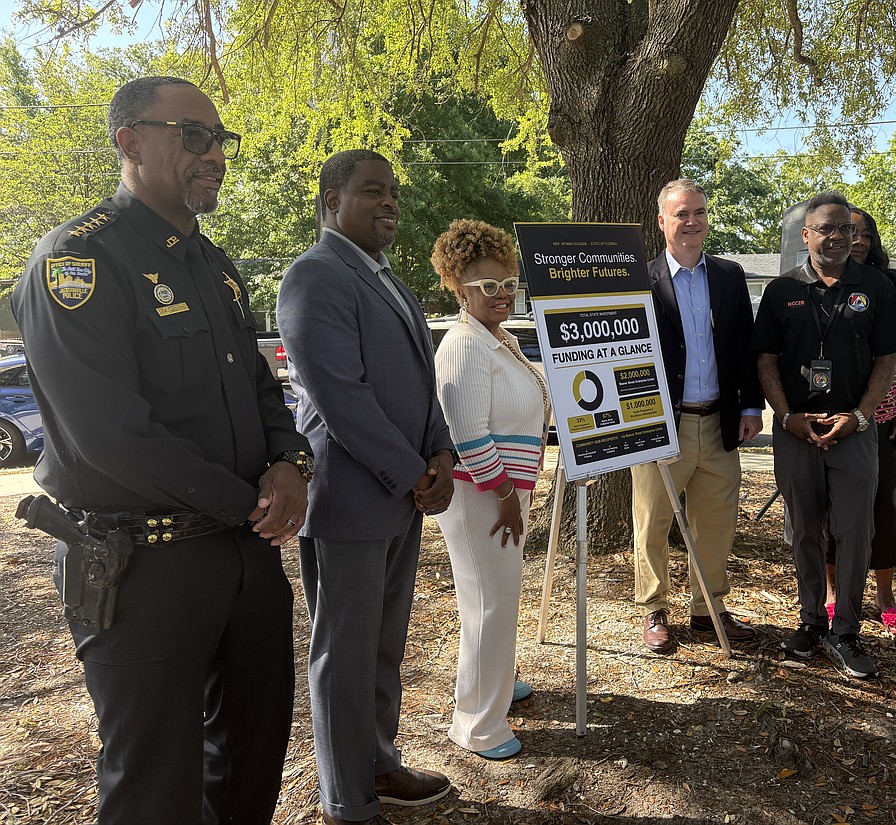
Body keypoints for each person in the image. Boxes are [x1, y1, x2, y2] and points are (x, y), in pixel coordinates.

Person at [12, 76, 311, 824]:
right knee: (155, 784)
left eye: (220, 140)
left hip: (244, 555)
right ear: (130, 142)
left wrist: (290, 463)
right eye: (194, 136)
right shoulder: (77, 263)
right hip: (141, 566)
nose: (216, 154)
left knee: (249, 763)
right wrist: (250, 501)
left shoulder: (215, 265)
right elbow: (110, 435)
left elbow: (260, 386)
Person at [276, 149, 456, 825]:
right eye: (372, 191)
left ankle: (379, 761)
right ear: (332, 200)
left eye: (393, 194)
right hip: (351, 499)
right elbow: (340, 397)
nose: (389, 203)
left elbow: (423, 383)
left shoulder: (388, 279)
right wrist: (414, 473)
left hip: (401, 495)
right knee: (344, 653)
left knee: (382, 646)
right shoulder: (314, 276)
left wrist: (441, 451)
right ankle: (347, 798)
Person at [752, 190, 896, 679]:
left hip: (853, 429)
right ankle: (812, 620)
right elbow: (766, 360)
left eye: (845, 228)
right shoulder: (781, 291)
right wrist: (786, 416)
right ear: (806, 235)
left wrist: (860, 416)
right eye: (826, 228)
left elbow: (888, 359)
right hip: (796, 430)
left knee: (855, 531)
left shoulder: (876, 286)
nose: (837, 237)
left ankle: (846, 630)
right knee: (803, 529)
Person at [430, 219, 550, 760]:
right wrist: (505, 495)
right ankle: (478, 724)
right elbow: (467, 434)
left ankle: (495, 681)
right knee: (487, 604)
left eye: (508, 283)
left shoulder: (497, 337)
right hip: (481, 494)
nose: (502, 294)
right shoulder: (463, 346)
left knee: (497, 599)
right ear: (460, 288)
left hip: (501, 490)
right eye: (488, 285)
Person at [632, 178, 764, 655]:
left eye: (699, 213)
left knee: (715, 524)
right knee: (652, 520)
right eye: (682, 214)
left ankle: (708, 609)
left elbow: (745, 346)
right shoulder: (638, 278)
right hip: (662, 424)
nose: (692, 222)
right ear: (662, 221)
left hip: (721, 422)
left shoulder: (729, 275)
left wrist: (751, 405)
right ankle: (654, 609)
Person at [822, 207, 896, 636]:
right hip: (829, 420)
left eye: (864, 234)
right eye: (850, 232)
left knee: (882, 506)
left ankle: (885, 596)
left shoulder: (894, 292)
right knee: (831, 509)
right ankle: (832, 592)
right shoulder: (819, 286)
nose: (857, 240)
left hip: (880, 421)